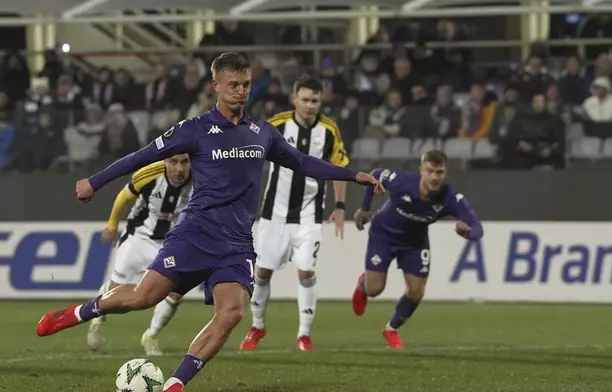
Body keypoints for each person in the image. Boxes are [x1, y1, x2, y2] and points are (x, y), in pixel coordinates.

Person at [36, 52, 383, 392]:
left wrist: (354, 176)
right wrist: (95, 182)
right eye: (233, 84)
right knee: (144, 297)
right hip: (195, 233)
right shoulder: (194, 130)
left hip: (237, 244)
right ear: (215, 84)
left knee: (231, 313)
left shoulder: (262, 132)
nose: (240, 91)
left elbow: (304, 163)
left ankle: (175, 384)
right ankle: (80, 313)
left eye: (246, 84)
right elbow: (143, 155)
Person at [240, 77, 348, 352]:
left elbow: (339, 167)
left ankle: (303, 335)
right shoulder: (276, 124)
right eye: (306, 100)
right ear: (294, 99)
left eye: (315, 100)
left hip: (309, 216)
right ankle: (257, 327)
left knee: (306, 272)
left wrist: (340, 206)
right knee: (261, 272)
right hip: (273, 214)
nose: (311, 105)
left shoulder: (329, 130)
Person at [351, 150, 483, 350]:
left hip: (415, 242)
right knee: (374, 289)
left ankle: (391, 329)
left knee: (416, 292)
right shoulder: (402, 182)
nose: (434, 177)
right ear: (422, 170)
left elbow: (477, 228)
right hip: (384, 235)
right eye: (430, 171)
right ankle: (363, 285)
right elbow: (375, 175)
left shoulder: (450, 198)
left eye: (439, 172)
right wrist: (365, 207)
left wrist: (468, 233)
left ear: (445, 173)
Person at [87, 154, 193, 356]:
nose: (179, 168)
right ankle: (99, 315)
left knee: (177, 291)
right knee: (119, 296)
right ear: (165, 162)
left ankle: (150, 336)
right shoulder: (149, 174)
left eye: (184, 162)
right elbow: (124, 197)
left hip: (170, 244)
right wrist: (111, 225)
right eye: (174, 162)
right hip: (139, 238)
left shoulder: (202, 178)